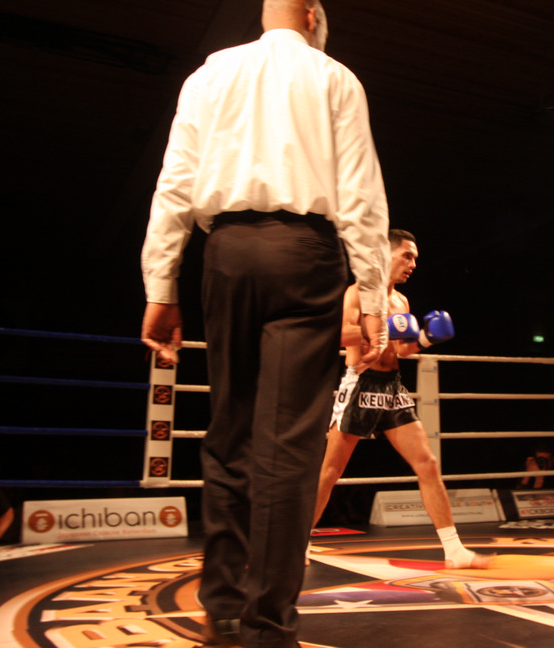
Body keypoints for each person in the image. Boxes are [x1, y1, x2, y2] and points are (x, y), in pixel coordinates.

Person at [139, 1, 391, 646]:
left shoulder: (210, 73)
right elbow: (360, 194)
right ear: (311, 13)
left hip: (225, 254)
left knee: (229, 431)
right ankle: (268, 623)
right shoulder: (334, 77)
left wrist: (160, 286)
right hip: (305, 254)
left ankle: (222, 605)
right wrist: (371, 293)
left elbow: (174, 185)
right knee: (290, 445)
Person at [311, 230, 492, 570]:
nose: (412, 264)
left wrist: (426, 337)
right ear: (386, 254)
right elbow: (338, 333)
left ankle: (454, 550)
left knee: (428, 464)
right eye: (407, 256)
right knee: (331, 471)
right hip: (361, 385)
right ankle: (296, 543)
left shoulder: (401, 302)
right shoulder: (358, 292)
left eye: (415, 259)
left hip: (393, 388)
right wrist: (380, 330)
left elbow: (403, 348)